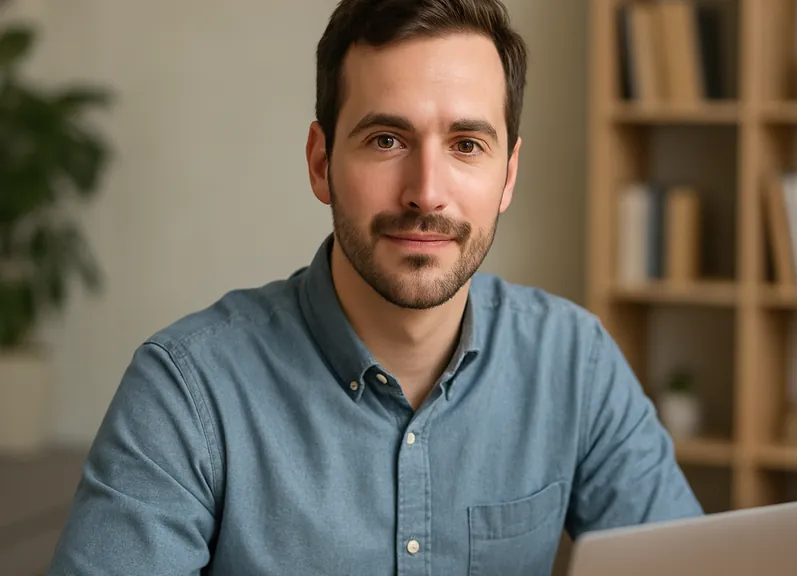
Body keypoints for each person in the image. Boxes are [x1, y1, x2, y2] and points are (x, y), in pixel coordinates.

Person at [47, 0, 703, 574]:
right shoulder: (187, 393)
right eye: (387, 139)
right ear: (321, 162)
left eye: (467, 144)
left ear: (507, 176)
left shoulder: (574, 363)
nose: (426, 192)